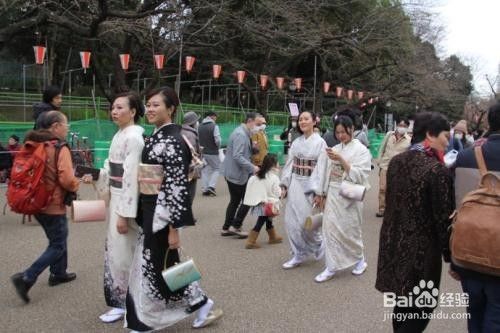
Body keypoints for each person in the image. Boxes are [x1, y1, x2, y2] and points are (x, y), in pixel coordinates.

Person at [125, 86, 223, 331]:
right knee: (166, 263)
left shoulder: (174, 140)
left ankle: (147, 318)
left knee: (155, 263)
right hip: (150, 208)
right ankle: (202, 303)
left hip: (161, 212)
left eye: (156, 104)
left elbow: (177, 186)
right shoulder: (157, 135)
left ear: (171, 109)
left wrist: (174, 228)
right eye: (148, 104)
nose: (150, 109)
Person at [376, 112, 454, 332]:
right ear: (430, 134)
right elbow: (443, 219)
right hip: (422, 254)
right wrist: (451, 257)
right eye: (445, 137)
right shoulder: (437, 170)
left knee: (402, 304)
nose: (448, 143)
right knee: (421, 308)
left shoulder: (397, 162)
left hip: (394, 245)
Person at [85, 92, 144, 323]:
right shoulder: (120, 135)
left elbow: (131, 179)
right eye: (113, 108)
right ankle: (120, 301)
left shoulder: (135, 138)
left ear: (133, 111)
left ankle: (130, 302)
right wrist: (98, 175)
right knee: (117, 254)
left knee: (126, 253)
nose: (115, 111)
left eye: (120, 108)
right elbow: (113, 171)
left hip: (127, 202)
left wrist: (123, 215)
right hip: (119, 197)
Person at [11, 110, 80, 303]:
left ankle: (59, 273)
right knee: (57, 244)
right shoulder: (59, 147)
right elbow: (66, 179)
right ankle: (26, 277)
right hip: (53, 204)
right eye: (66, 124)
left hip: (34, 201)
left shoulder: (32, 143)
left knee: (58, 238)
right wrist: (77, 183)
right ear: (55, 126)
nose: (67, 128)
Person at [452, 103, 500, 333]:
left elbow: (453, 209)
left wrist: (451, 258)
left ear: (490, 122)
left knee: (474, 315)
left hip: (468, 254)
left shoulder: (465, 156)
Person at [311, 115, 371, 282]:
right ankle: (331, 266)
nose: (340, 136)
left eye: (343, 132)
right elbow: (323, 172)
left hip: (350, 194)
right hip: (333, 192)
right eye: (337, 132)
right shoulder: (335, 148)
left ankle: (360, 260)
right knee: (330, 229)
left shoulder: (361, 150)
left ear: (351, 129)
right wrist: (320, 193)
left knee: (349, 230)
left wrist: (342, 160)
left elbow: (361, 175)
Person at [280, 110, 327, 269]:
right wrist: (284, 184)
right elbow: (289, 164)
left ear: (315, 121)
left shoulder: (320, 143)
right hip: (295, 184)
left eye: (306, 119)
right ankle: (297, 253)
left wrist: (319, 192)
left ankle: (318, 243)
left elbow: (322, 168)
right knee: (291, 221)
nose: (302, 122)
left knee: (306, 222)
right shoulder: (296, 142)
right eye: (300, 119)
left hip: (311, 186)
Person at [220, 112, 260, 239]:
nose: (259, 127)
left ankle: (226, 227)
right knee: (248, 199)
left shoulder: (242, 133)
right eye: (258, 124)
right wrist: (252, 167)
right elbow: (238, 156)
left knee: (235, 201)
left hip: (233, 173)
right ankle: (236, 226)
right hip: (237, 174)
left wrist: (252, 149)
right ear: (250, 121)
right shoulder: (241, 134)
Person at [243, 153, 283, 249]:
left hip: (260, 202)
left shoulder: (258, 175)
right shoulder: (274, 177)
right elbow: (277, 192)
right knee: (261, 221)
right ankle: (251, 241)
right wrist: (283, 192)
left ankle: (273, 237)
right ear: (273, 165)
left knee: (268, 220)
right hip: (269, 204)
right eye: (277, 162)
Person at [376, 118, 411, 218]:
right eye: (400, 125)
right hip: (385, 166)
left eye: (404, 126)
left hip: (398, 169)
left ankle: (392, 209)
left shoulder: (409, 141)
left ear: (407, 128)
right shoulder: (389, 135)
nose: (401, 128)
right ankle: (382, 209)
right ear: (397, 125)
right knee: (383, 188)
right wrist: (379, 161)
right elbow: (381, 148)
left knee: (395, 189)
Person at [181, 111, 202, 215]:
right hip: (190, 168)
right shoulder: (191, 134)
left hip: (181, 167)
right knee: (190, 192)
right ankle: (186, 216)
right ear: (193, 122)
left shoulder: (180, 131)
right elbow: (192, 153)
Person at [198, 111, 221, 196]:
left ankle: (205, 189)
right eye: (215, 116)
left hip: (203, 152)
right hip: (213, 152)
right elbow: (217, 140)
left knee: (205, 170)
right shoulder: (214, 126)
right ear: (211, 117)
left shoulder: (199, 126)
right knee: (217, 168)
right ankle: (211, 187)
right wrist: (218, 147)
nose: (216, 118)